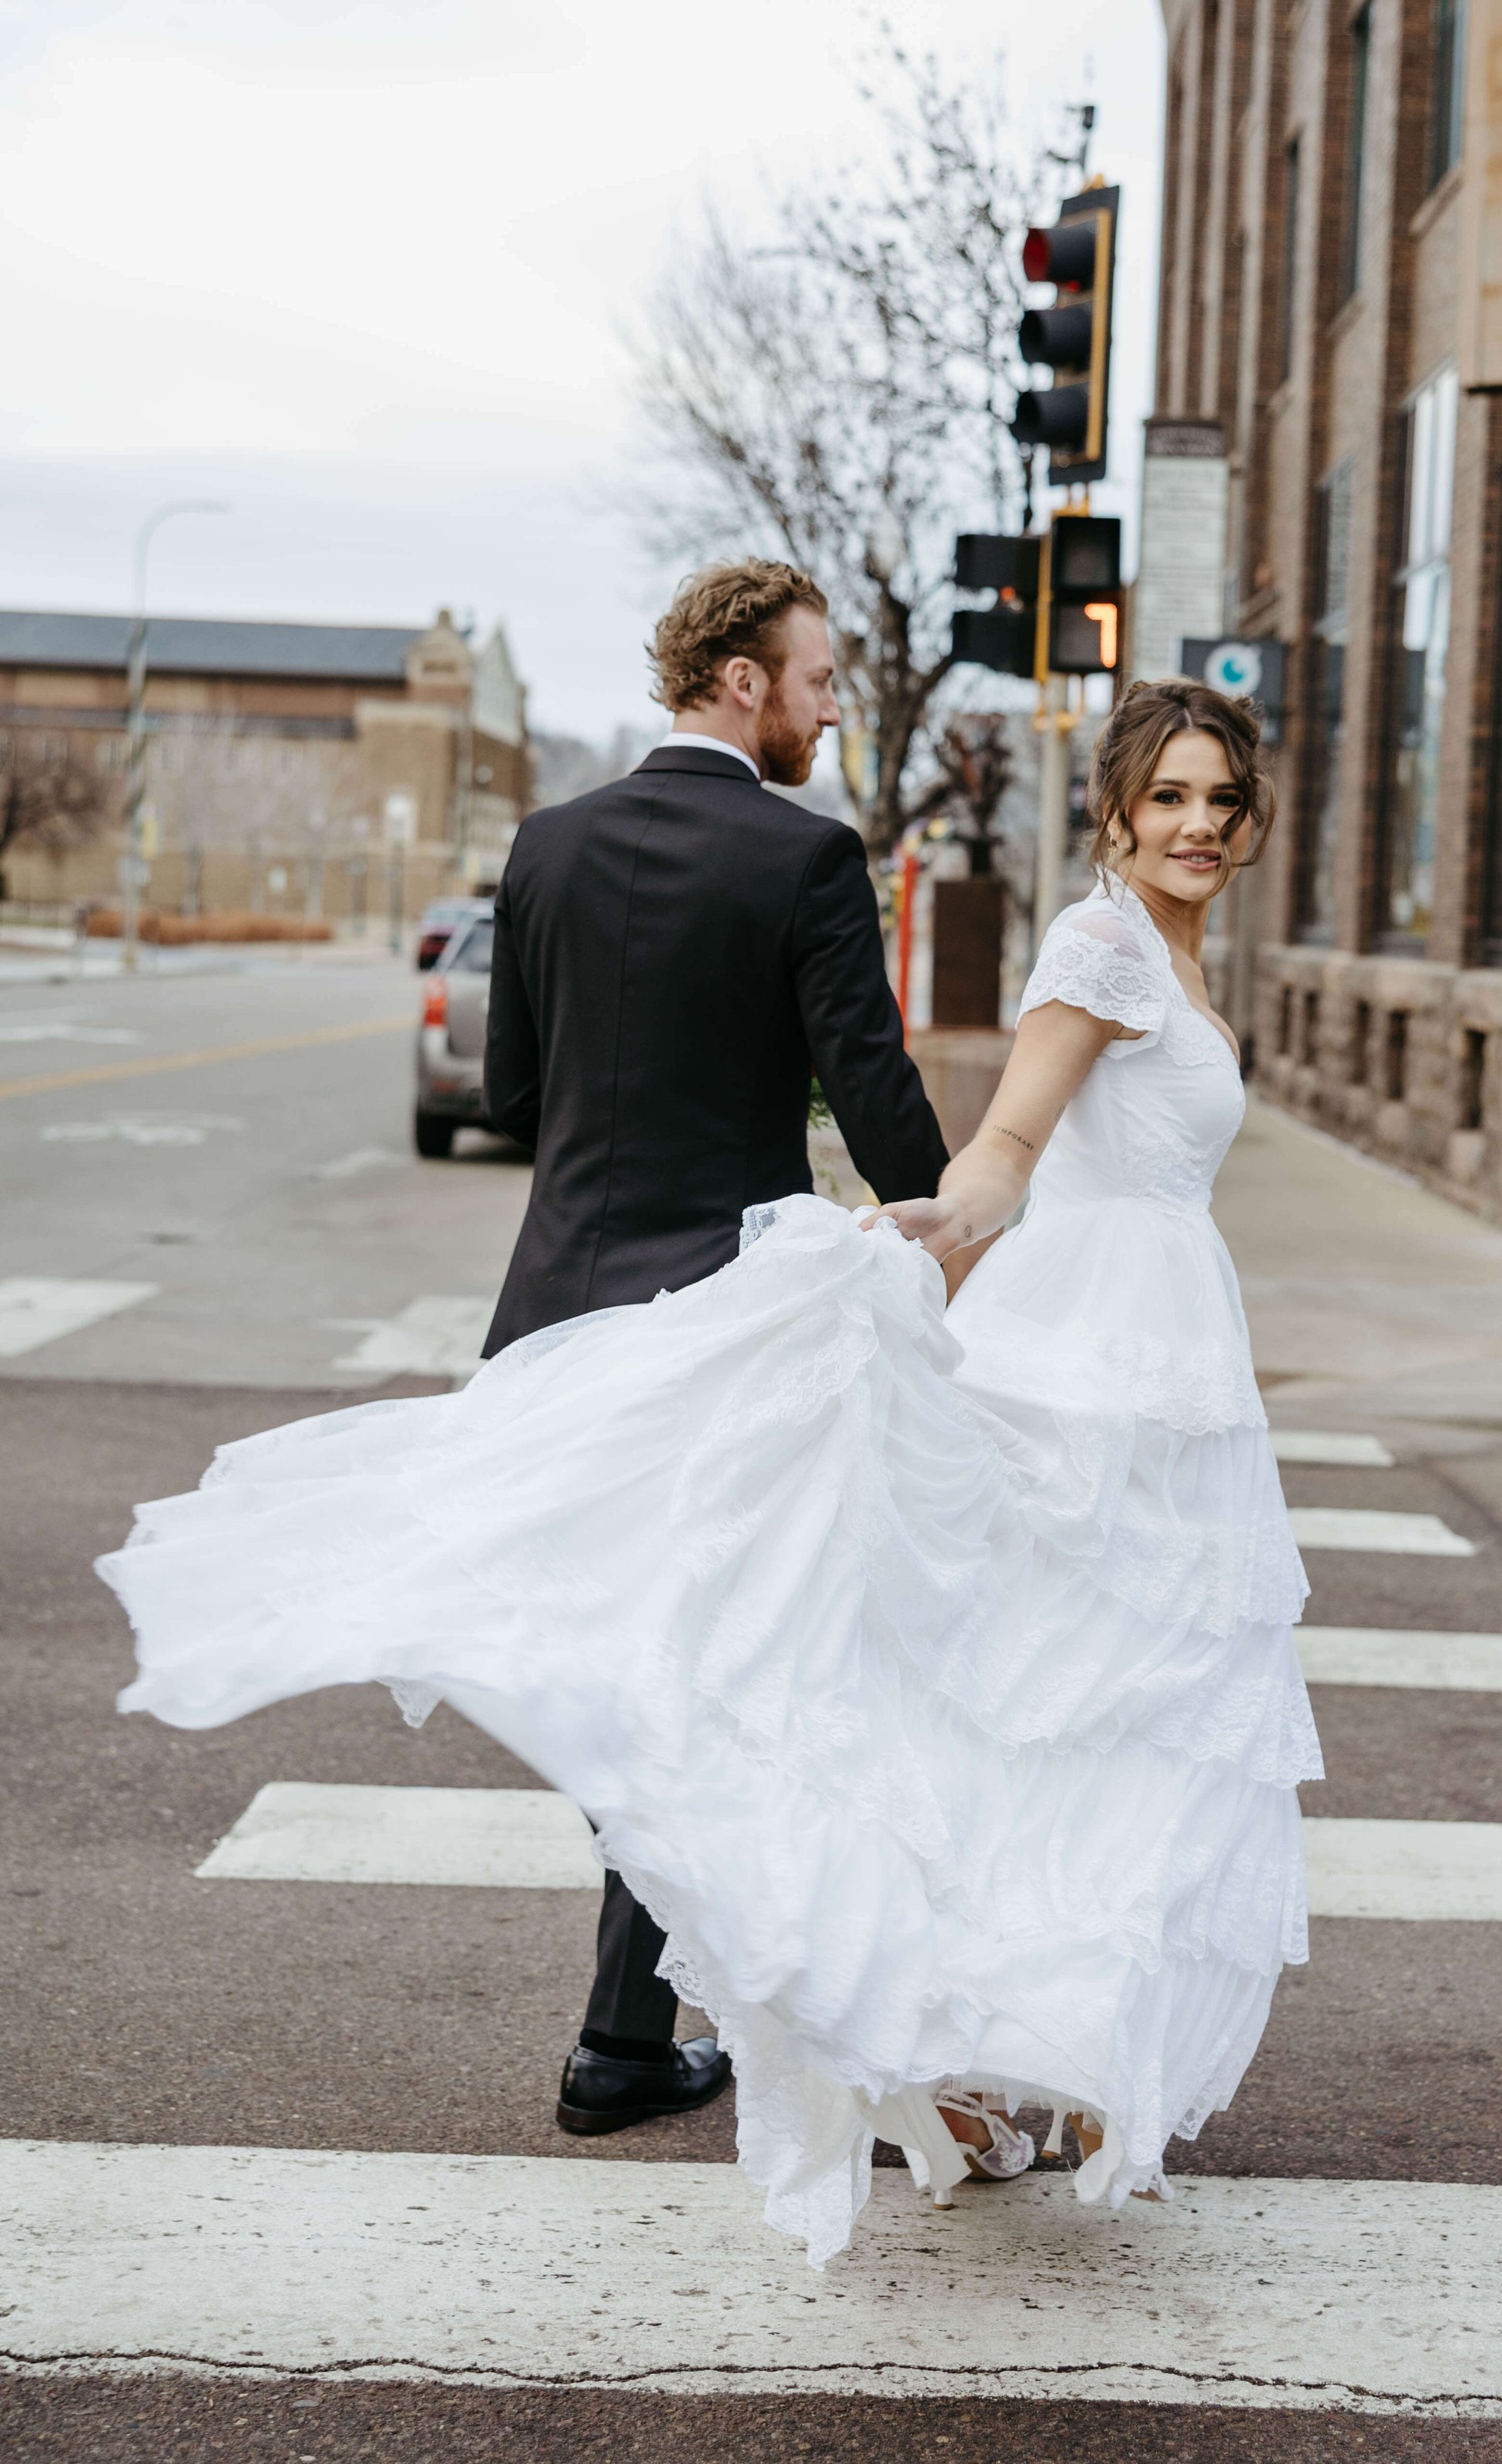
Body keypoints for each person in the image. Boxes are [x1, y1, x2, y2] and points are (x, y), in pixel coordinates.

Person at [98, 668, 1323, 2267]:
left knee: (1113, 1706)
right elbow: (1010, 1147)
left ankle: (1035, 2049)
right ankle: (965, 2036)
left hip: (1168, 1353)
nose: (1197, 827)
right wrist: (927, 1231)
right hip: (1092, 1358)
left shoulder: (1178, 951)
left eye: (1221, 802)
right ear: (1113, 807)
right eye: (1166, 797)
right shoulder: (1099, 946)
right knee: (1057, 1696)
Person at [480, 560, 949, 2135]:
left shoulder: (545, 847)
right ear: (743, 682)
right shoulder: (804, 857)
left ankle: (628, 2026)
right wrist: (961, 1230)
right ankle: (625, 2032)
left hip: (549, 1323)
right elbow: (872, 1095)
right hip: (720, 1334)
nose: (828, 707)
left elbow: (505, 1098)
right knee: (704, 1671)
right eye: (817, 679)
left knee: (639, 1670)